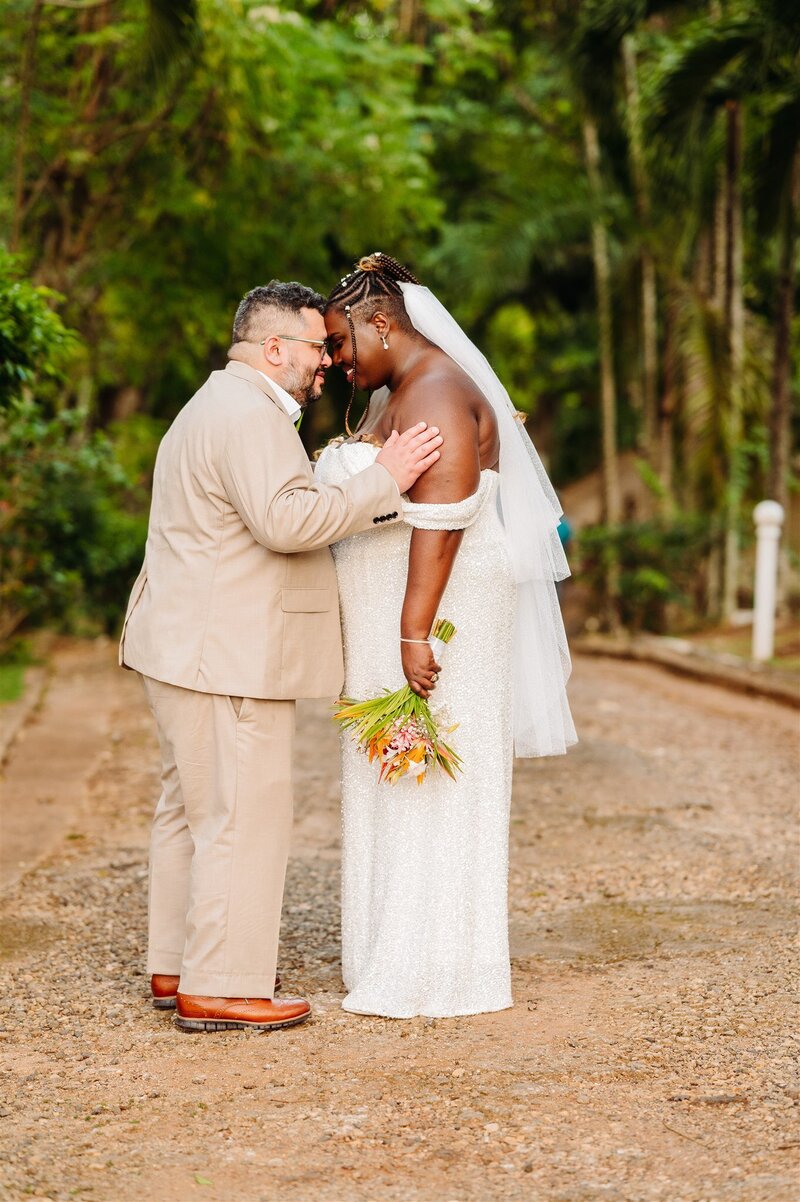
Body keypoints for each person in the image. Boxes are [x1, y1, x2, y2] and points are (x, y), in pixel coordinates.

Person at [119, 280, 443, 1033]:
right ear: (273, 349)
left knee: (191, 813)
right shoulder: (247, 415)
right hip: (223, 655)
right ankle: (221, 985)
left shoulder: (217, 405)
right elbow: (287, 521)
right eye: (314, 347)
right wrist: (385, 480)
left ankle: (178, 964)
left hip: (189, 649)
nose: (326, 360)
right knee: (242, 816)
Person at [316, 253, 576, 1019]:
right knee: (395, 773)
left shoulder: (434, 391)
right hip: (401, 618)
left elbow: (442, 516)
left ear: (383, 325)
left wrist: (411, 632)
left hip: (439, 614)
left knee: (433, 773)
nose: (335, 360)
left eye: (339, 342)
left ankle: (436, 964)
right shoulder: (401, 389)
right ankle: (388, 944)